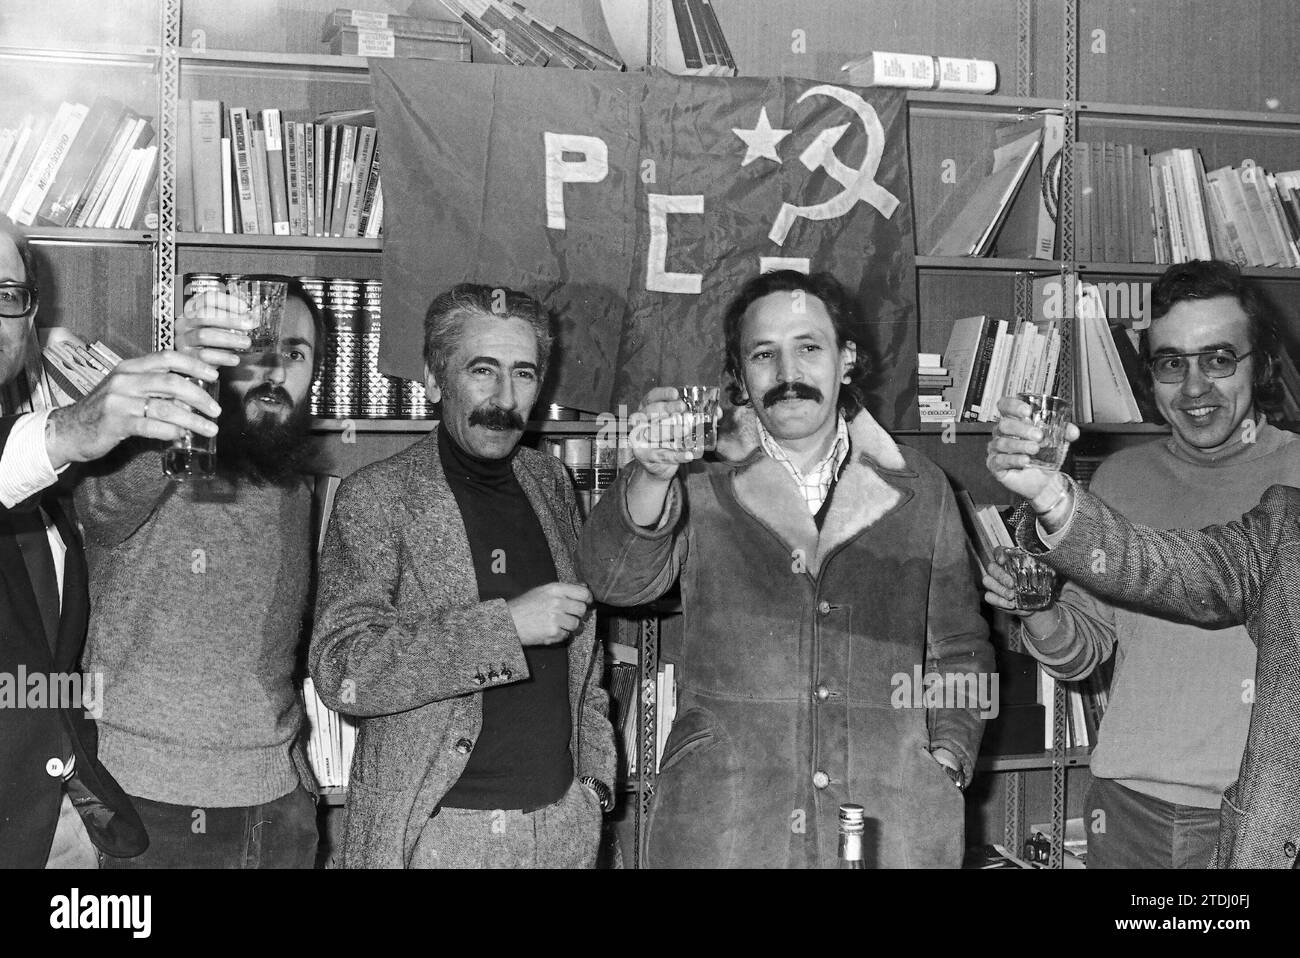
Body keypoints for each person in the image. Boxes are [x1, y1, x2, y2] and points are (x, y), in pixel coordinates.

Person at [578, 270, 995, 868]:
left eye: (809, 346)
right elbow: (613, 581)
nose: (787, 373)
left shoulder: (921, 487)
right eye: (763, 354)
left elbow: (960, 645)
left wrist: (947, 756)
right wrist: (649, 474)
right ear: (741, 379)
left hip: (887, 818)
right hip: (731, 819)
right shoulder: (698, 480)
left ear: (846, 360)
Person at [982, 260, 1300, 868]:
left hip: (1267, 816)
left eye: (1218, 358)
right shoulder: (1118, 480)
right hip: (1127, 810)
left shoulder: (1295, 486)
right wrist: (1038, 608)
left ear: (1260, 364)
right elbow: (1082, 656)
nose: (1195, 387)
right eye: (1172, 362)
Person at [310, 283, 616, 869]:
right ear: (434, 379)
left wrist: (595, 788)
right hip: (439, 834)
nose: (504, 398)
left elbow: (586, 663)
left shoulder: (549, 483)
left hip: (561, 828)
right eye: (483, 370)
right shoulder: (378, 496)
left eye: (523, 375)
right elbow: (343, 671)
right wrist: (505, 628)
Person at [74, 277, 326, 869]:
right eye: (251, 354)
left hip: (280, 804)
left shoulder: (292, 479)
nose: (273, 373)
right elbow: (101, 507)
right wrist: (183, 385)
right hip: (145, 805)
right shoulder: (150, 449)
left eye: (295, 354)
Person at [0, 215, 223, 867]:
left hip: (55, 826)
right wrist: (67, 429)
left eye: (6, 294)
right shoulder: (39, 447)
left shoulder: (41, 474)